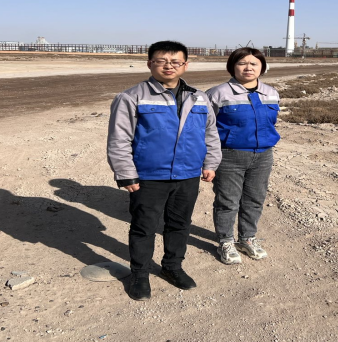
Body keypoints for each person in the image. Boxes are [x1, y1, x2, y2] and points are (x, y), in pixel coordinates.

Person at [107, 40, 221, 300]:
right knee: (144, 226)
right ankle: (140, 274)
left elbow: (210, 133)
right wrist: (125, 173)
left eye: (175, 62)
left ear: (185, 65)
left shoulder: (199, 97)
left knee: (180, 224)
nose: (169, 66)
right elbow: (119, 138)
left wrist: (210, 163)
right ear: (150, 63)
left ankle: (172, 267)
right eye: (161, 61)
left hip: (188, 174)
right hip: (149, 176)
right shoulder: (131, 97)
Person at [206, 48, 280, 265]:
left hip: (263, 156)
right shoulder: (217, 93)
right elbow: (206, 129)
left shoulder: (271, 93)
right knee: (228, 201)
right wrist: (208, 160)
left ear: (262, 67)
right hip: (229, 156)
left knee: (255, 199)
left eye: (254, 64)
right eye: (242, 63)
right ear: (232, 66)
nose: (248, 68)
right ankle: (226, 241)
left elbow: (271, 123)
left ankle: (247, 238)